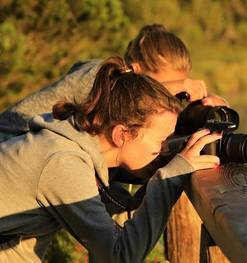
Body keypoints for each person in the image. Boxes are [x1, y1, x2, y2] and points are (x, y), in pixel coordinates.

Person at [0, 56, 221, 262]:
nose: (163, 150)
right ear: (121, 135)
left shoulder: (72, 136)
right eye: (160, 140)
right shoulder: (62, 163)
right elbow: (120, 256)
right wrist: (169, 179)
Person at [0, 24, 228, 143]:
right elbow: (128, 98)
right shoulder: (101, 75)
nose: (170, 97)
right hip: (10, 143)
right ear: (135, 69)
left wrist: (207, 107)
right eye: (166, 86)